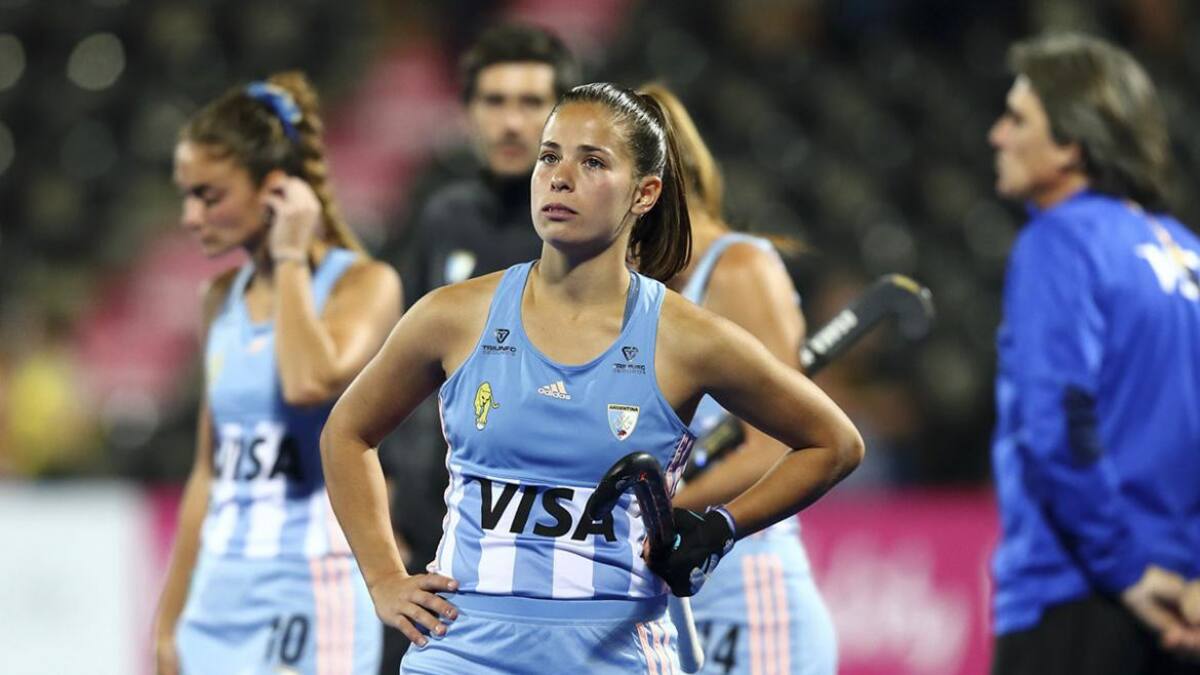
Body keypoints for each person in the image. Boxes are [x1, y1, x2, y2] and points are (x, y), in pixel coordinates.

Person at [320, 82, 864, 674]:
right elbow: (346, 433)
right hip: (461, 654)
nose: (559, 176)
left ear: (645, 193)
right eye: (549, 156)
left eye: (593, 161)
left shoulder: (688, 336)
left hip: (617, 656)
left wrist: (721, 528)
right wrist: (382, 579)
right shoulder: (452, 315)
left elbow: (834, 443)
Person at [154, 72, 401, 675]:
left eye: (208, 195)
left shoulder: (362, 285)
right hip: (220, 591)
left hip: (312, 585)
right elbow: (208, 473)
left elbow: (307, 382)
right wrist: (168, 621)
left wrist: (290, 254)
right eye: (186, 195)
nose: (190, 216)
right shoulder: (219, 298)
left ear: (275, 191)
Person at [986, 33, 1200, 675]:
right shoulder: (1189, 252)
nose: (997, 134)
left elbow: (1057, 422)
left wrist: (1125, 570)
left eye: (1018, 118)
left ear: (1073, 142)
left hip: (1079, 596)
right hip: (1184, 606)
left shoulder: (1060, 240)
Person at [375, 23, 578, 670]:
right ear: (467, 114)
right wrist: (391, 491)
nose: (512, 122)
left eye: (531, 102)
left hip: (535, 545)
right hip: (426, 542)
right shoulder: (443, 217)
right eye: (494, 102)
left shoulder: (583, 231)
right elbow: (402, 371)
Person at [639, 83, 838, 675]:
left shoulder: (740, 268)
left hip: (747, 593)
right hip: (666, 600)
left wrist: (649, 518)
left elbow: (777, 447)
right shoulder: (642, 284)